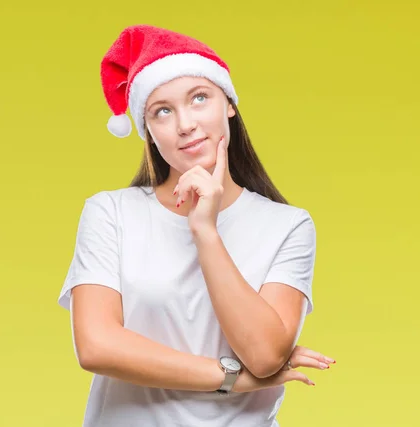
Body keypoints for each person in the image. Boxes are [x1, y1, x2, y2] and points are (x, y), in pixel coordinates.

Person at [57, 24, 334, 427]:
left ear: (230, 105)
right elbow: (97, 346)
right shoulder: (111, 213)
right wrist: (231, 379)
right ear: (148, 131)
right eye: (162, 111)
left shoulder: (288, 226)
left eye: (199, 98)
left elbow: (265, 355)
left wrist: (206, 231)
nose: (185, 124)